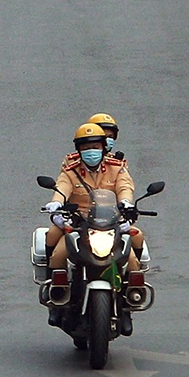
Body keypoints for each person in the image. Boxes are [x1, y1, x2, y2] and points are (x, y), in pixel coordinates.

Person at [39, 122, 145, 320]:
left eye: (95, 147)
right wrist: (55, 204)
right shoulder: (70, 171)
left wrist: (126, 203)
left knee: (133, 254)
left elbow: (125, 187)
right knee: (58, 253)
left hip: (110, 224)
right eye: (85, 148)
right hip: (79, 225)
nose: (91, 152)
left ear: (103, 147)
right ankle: (56, 295)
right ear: (78, 150)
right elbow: (61, 189)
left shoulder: (117, 168)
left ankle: (129, 300)